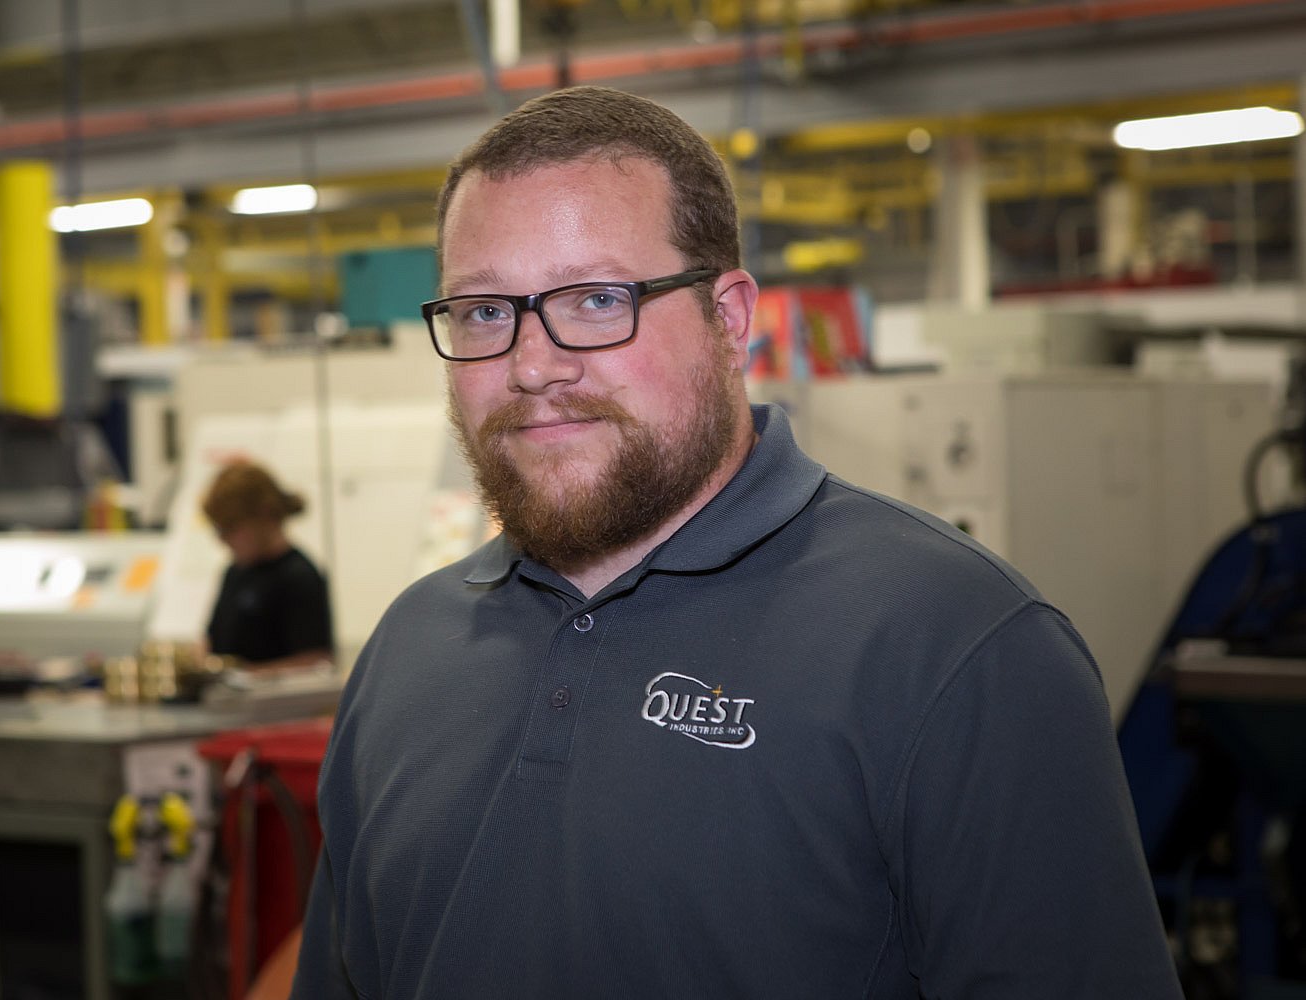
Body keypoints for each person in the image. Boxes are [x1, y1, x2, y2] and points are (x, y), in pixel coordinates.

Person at [292, 87, 1182, 999]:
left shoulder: (957, 646)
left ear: (728, 318)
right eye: (484, 311)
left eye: (596, 299)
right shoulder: (410, 650)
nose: (532, 364)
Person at [201, 460, 334, 671]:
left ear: (264, 516)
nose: (223, 539)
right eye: (219, 529)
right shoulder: (235, 573)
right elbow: (212, 642)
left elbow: (315, 662)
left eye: (231, 528)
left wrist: (247, 678)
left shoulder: (300, 577)